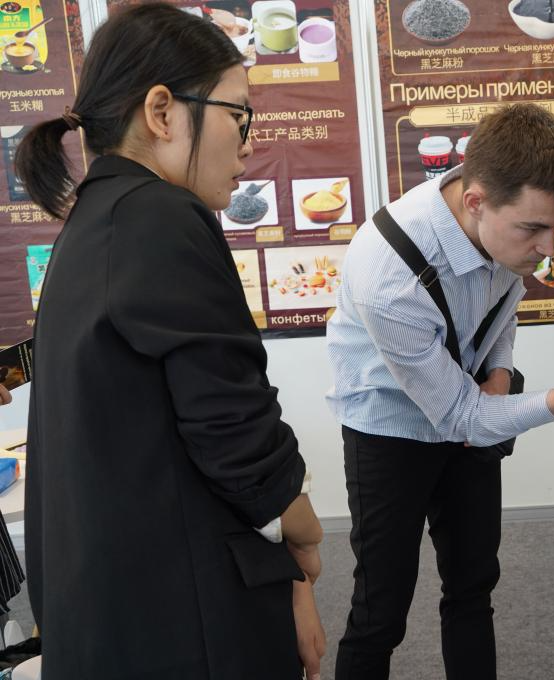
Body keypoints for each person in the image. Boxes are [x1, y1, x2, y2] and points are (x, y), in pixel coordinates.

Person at [14, 5, 324, 679]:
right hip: (183, 620)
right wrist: (305, 530)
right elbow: (232, 426)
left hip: (118, 609)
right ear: (162, 112)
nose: (248, 144)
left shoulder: (97, 219)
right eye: (239, 115)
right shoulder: (160, 214)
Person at [326, 103, 554, 680]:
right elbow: (462, 418)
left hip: (466, 400)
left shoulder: (502, 226)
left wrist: (498, 369)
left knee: (472, 586)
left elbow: (502, 304)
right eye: (533, 229)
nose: (547, 248)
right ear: (475, 202)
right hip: (387, 425)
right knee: (380, 611)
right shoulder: (388, 275)